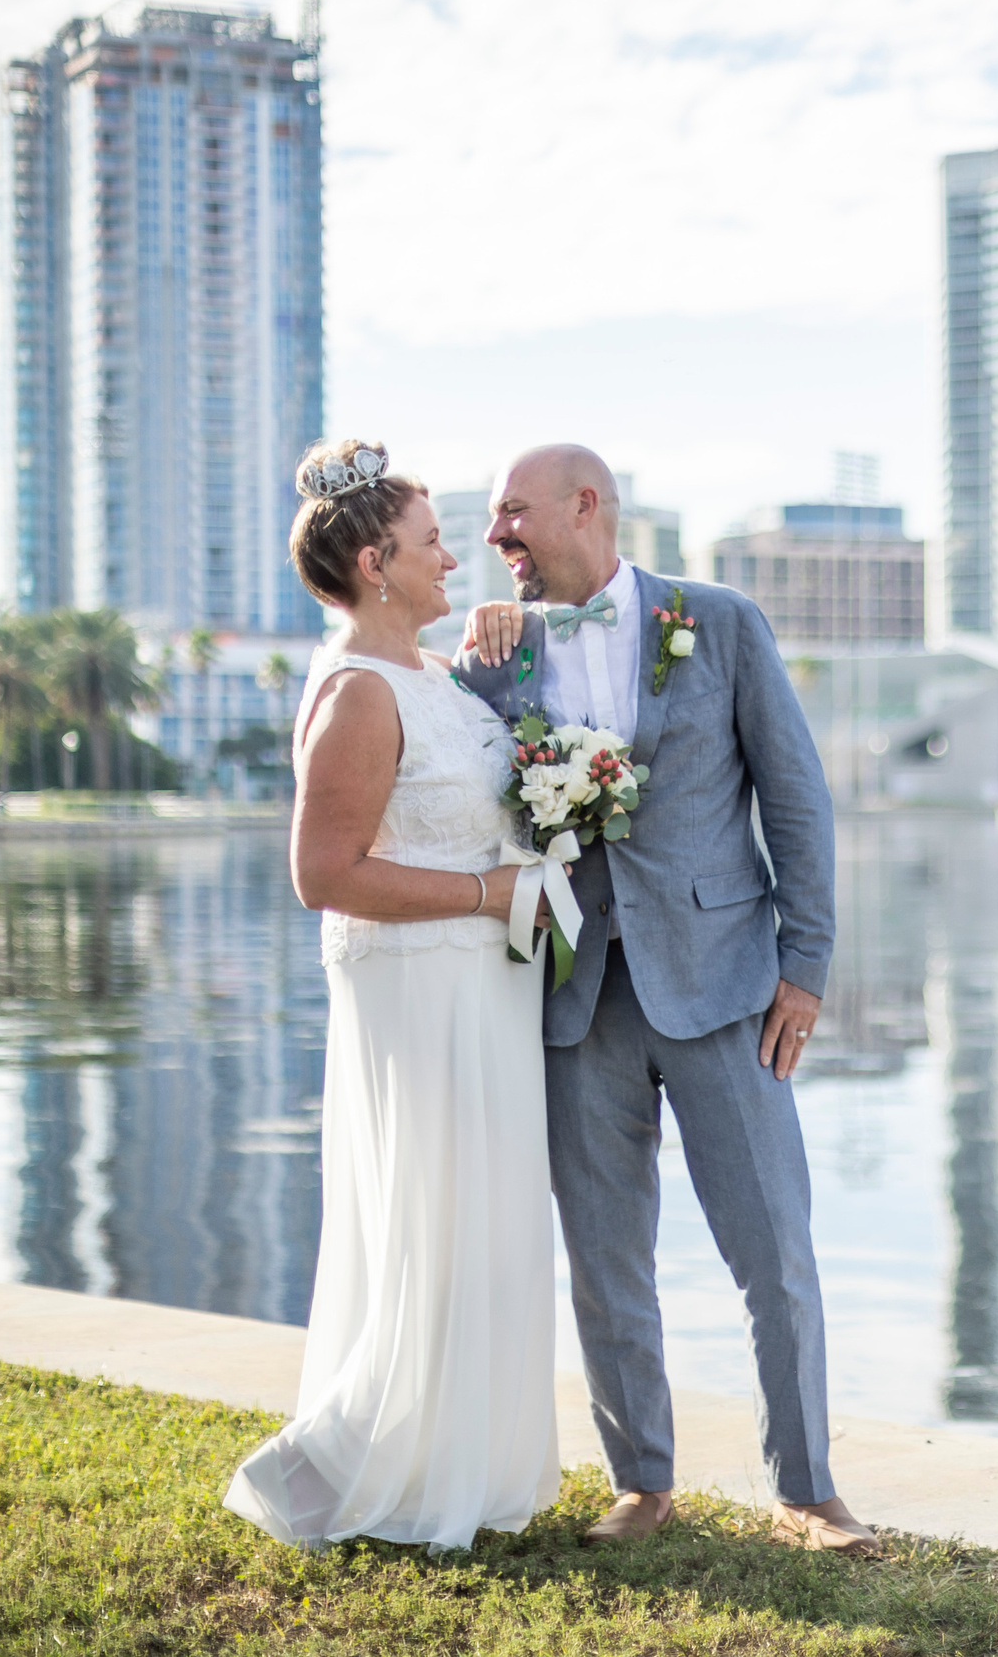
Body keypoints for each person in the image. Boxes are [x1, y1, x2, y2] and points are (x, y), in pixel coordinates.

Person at [453, 444, 878, 1554]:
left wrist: (807, 966)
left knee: (773, 1246)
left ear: (583, 505)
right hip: (571, 991)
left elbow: (796, 798)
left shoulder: (721, 621)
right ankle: (642, 1482)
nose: (496, 537)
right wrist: (471, 660)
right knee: (604, 1253)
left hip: (728, 985)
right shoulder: (498, 649)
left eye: (511, 514)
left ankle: (808, 1491)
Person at [225, 439, 559, 1553]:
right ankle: (330, 1469)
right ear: (376, 562)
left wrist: (498, 647)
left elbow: (475, 770)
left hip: (484, 989)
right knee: (434, 1229)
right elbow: (325, 876)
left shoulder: (428, 675)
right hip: (423, 1001)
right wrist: (488, 890)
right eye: (430, 542)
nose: (453, 555)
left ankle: (449, 1460)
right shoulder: (358, 693)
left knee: (485, 1234)